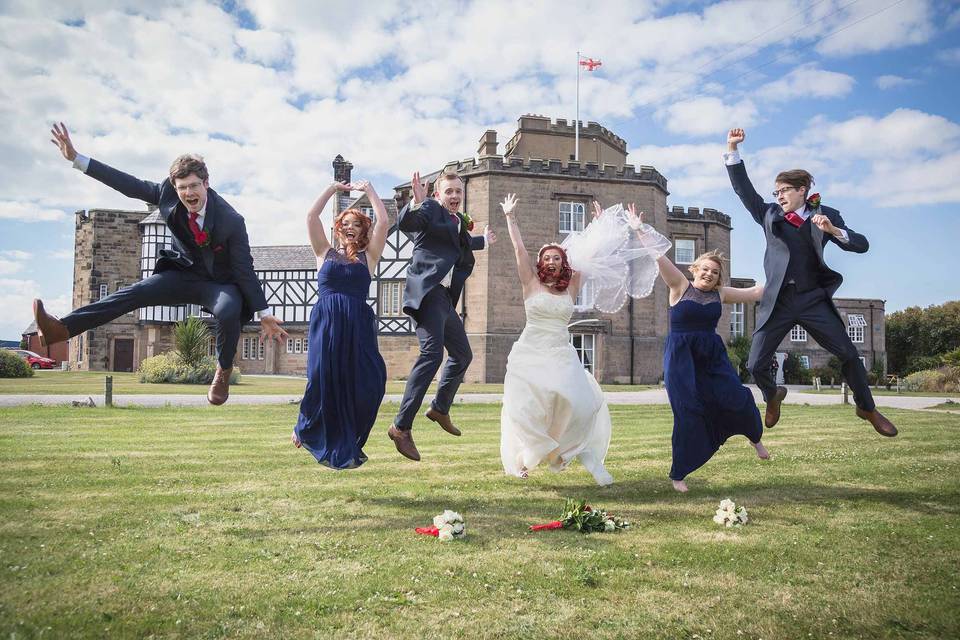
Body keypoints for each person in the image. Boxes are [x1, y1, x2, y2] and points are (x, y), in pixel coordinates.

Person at [37, 122, 287, 404]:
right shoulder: (168, 194)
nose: (189, 194)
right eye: (182, 188)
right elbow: (128, 184)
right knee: (133, 293)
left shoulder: (231, 220)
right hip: (182, 274)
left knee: (229, 312)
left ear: (206, 183)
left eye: (194, 186)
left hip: (220, 284)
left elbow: (244, 268)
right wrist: (78, 160)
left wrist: (264, 313)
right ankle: (63, 329)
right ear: (174, 187)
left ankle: (223, 371)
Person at [724, 128, 897, 437]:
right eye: (776, 192)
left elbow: (862, 244)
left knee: (847, 354)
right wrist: (732, 150)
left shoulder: (825, 214)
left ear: (802, 190)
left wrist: (833, 230)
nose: (778, 196)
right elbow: (743, 191)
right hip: (778, 301)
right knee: (755, 364)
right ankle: (772, 395)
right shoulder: (768, 214)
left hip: (812, 299)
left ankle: (867, 408)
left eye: (784, 191)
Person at [633, 205, 769, 492]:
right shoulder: (680, 286)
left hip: (712, 357)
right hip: (682, 358)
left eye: (715, 272)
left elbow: (756, 293)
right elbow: (659, 257)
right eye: (705, 269)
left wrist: (787, 272)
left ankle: (755, 439)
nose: (709, 274)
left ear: (720, 278)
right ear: (695, 270)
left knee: (736, 395)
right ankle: (679, 474)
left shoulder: (721, 294)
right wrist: (639, 229)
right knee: (687, 411)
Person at [498, 193, 615, 485]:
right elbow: (518, 249)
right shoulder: (531, 283)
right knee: (529, 406)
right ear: (540, 262)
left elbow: (593, 257)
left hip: (561, 351)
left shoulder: (571, 286)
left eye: (557, 257)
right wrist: (510, 217)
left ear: (564, 263)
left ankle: (566, 450)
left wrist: (598, 228)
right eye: (547, 257)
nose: (551, 260)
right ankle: (526, 454)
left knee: (580, 402)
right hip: (531, 350)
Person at [388, 170, 496, 461]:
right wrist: (416, 203)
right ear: (438, 194)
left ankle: (439, 408)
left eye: (458, 192)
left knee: (462, 355)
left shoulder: (454, 221)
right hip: (428, 293)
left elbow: (459, 242)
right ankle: (401, 427)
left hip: (445, 298)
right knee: (432, 355)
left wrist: (482, 240)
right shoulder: (430, 211)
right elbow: (409, 223)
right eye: (449, 191)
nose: (454, 197)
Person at [291, 180, 388, 469]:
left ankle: (350, 433)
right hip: (327, 321)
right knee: (319, 374)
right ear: (338, 228)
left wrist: (369, 191)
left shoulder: (369, 257)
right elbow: (311, 216)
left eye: (356, 224)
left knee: (370, 381)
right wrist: (333, 189)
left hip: (357, 324)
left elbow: (384, 220)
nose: (350, 227)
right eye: (345, 222)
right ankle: (304, 426)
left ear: (362, 230)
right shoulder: (323, 253)